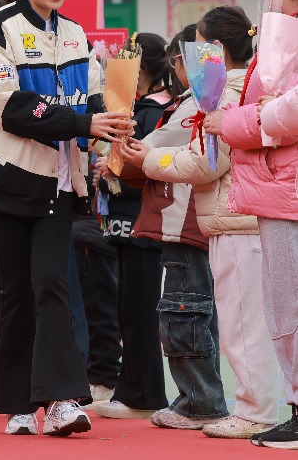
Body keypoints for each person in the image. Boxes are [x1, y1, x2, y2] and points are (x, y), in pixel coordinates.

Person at [0, 0, 132, 437]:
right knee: (16, 291)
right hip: (6, 179)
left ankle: (59, 400)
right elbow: (10, 106)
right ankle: (17, 405)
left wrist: (110, 129)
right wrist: (83, 122)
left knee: (50, 285)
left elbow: (93, 99)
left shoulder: (76, 34)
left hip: (60, 183)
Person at [121, 7, 279, 440]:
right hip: (237, 220)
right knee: (245, 323)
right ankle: (256, 407)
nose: (193, 57)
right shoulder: (244, 86)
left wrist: (148, 159)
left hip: (235, 221)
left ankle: (257, 411)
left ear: (217, 50)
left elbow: (206, 163)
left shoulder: (227, 93)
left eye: (199, 47)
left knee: (243, 325)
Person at [113, 24, 229, 430]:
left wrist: (123, 153)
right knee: (195, 312)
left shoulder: (200, 101)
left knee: (185, 311)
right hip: (190, 217)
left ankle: (200, 402)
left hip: (186, 218)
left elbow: (155, 146)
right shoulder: (198, 98)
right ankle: (202, 398)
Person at [209, 0, 298, 449]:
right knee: (282, 303)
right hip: (277, 187)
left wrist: (233, 121)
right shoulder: (279, 38)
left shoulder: (287, 38)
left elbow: (285, 112)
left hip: (285, 187)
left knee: (286, 304)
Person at [92, 33, 173, 420]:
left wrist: (114, 169)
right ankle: (134, 389)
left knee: (140, 309)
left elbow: (146, 163)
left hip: (143, 218)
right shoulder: (137, 108)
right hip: (125, 218)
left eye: (128, 63)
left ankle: (145, 394)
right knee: (128, 308)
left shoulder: (155, 111)